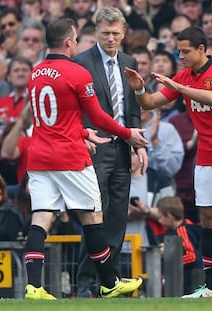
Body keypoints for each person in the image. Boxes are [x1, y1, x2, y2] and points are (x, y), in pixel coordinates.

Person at [125, 26, 212, 298]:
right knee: (208, 220)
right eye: (179, 50)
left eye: (186, 51)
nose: (181, 56)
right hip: (207, 156)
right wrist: (140, 87)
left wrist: (178, 86)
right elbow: (151, 102)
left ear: (202, 49)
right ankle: (211, 288)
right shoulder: (184, 76)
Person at [23, 17, 148, 300]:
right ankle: (109, 282)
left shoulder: (35, 73)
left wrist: (83, 132)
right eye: (76, 39)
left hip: (40, 157)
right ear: (69, 41)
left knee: (41, 218)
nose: (77, 43)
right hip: (69, 157)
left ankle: (33, 286)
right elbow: (100, 116)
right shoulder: (77, 72)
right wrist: (127, 132)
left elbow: (49, 118)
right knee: (93, 216)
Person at [73, 7, 149, 298]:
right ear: (95, 32)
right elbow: (75, 109)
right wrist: (81, 136)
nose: (111, 38)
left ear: (124, 33)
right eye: (105, 33)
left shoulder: (129, 61)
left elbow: (132, 107)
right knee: (94, 217)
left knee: (117, 217)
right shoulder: (81, 62)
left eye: (116, 33)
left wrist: (138, 144)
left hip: (121, 148)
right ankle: (84, 284)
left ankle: (110, 281)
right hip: (94, 147)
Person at [157, 196, 202, 295]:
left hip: (191, 280)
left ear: (169, 217)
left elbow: (192, 256)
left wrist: (171, 260)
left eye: (160, 217)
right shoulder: (186, 226)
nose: (159, 221)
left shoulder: (182, 231)